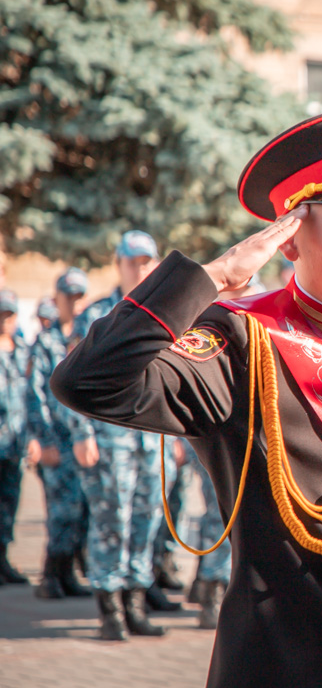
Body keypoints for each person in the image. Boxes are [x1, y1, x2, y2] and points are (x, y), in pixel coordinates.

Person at [52, 107, 322, 688]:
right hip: (281, 679)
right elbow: (88, 381)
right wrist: (210, 279)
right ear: (292, 238)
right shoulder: (240, 345)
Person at [72, 230, 177, 640]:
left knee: (147, 519)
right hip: (108, 439)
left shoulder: (165, 311)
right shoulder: (96, 313)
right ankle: (109, 609)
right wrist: (81, 432)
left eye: (147, 260)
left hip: (152, 440)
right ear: (118, 264)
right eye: (133, 261)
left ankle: (135, 602)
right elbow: (72, 379)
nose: (141, 268)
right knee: (109, 520)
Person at [27, 267, 93, 600]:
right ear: (57, 300)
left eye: (81, 296)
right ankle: (50, 575)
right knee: (60, 511)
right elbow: (35, 396)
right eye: (70, 297)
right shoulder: (45, 343)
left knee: (80, 509)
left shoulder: (85, 338)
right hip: (57, 443)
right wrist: (44, 441)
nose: (76, 304)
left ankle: (66, 573)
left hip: (81, 443)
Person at [0, 290, 30, 585]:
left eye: (9, 315)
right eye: (1, 315)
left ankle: (3, 558)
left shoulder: (21, 349)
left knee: (10, 504)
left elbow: (32, 397)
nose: (4, 321)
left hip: (15, 445)